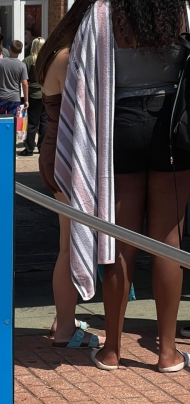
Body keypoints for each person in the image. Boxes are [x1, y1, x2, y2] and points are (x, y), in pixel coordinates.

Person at [89, 0, 190, 372]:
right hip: (173, 123)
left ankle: (112, 350)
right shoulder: (180, 12)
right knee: (168, 242)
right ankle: (168, 353)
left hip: (123, 122)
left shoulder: (108, 13)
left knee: (120, 240)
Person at [35, 0, 103, 347]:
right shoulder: (69, 57)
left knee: (67, 242)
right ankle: (64, 329)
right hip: (66, 157)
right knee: (68, 246)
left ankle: (63, 319)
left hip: (53, 150)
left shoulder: (53, 54)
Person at [21, 38, 47, 156]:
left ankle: (29, 148)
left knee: (32, 123)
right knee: (44, 122)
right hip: (46, 93)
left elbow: (23, 77)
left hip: (33, 94)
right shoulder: (48, 59)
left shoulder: (28, 60)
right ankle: (42, 147)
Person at [0, 40, 29, 117]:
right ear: (20, 51)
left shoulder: (1, 62)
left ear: (9, 49)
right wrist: (26, 100)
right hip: (15, 98)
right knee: (13, 121)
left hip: (1, 96)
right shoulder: (22, 65)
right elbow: (25, 83)